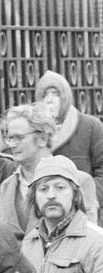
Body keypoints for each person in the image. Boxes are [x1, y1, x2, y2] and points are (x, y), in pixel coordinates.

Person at [0, 103, 99, 233]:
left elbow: (89, 238)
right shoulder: (6, 186)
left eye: (19, 138)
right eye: (10, 138)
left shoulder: (79, 180)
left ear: (43, 139)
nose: (12, 145)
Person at [36, 70, 103, 204]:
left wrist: (84, 198)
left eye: (56, 94)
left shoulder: (90, 125)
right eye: (45, 95)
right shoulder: (35, 130)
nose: (50, 100)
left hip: (82, 206)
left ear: (65, 97)